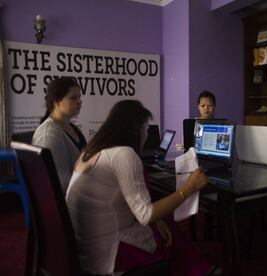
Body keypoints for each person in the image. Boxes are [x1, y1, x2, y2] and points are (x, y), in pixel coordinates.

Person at [66, 100, 211, 276]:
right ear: (136, 130)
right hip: (107, 252)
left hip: (84, 245)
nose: (145, 134)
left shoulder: (90, 150)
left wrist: (157, 220)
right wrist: (190, 187)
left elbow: (118, 199)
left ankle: (195, 268)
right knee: (171, 229)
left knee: (163, 221)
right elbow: (146, 214)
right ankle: (197, 269)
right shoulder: (124, 154)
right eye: (145, 129)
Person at [32, 77, 85, 194]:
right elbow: (61, 184)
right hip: (70, 202)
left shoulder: (73, 127)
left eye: (79, 97)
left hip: (79, 192)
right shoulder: (49, 135)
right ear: (56, 102)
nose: (79, 101)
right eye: (73, 98)